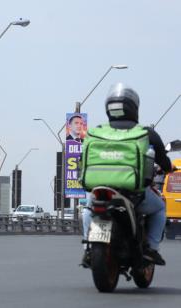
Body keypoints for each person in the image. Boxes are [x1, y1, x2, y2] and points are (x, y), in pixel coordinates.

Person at [81, 83, 172, 266]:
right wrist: (168, 168)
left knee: (87, 210)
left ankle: (87, 250)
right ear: (134, 107)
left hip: (100, 190)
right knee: (160, 207)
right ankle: (152, 248)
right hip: (134, 193)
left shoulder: (96, 132)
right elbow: (164, 162)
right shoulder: (146, 133)